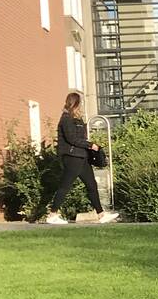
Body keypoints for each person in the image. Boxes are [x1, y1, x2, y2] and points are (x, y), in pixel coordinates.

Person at [44, 93, 119, 225]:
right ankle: (52, 214)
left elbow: (79, 138)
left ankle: (101, 214)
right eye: (80, 103)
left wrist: (88, 147)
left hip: (81, 157)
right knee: (65, 186)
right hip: (72, 157)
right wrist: (90, 145)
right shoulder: (66, 119)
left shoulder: (76, 119)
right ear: (75, 103)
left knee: (91, 185)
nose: (82, 106)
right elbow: (72, 139)